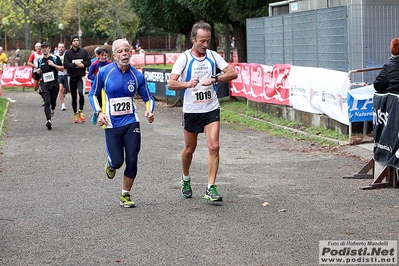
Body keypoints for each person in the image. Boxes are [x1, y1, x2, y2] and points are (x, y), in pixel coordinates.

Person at [167, 21, 237, 202]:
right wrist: (187, 84)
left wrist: (215, 78)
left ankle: (210, 187)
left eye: (208, 41)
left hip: (210, 108)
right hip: (191, 111)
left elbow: (232, 73)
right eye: (202, 41)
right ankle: (186, 178)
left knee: (214, 146)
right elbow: (171, 83)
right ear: (193, 39)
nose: (205, 45)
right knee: (190, 149)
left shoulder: (213, 56)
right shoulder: (184, 58)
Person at [88, 38, 155, 208]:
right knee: (118, 162)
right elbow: (92, 94)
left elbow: (149, 97)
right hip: (112, 124)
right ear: (114, 55)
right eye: (120, 51)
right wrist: (99, 112)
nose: (124, 54)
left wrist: (149, 110)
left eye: (127, 50)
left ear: (131, 52)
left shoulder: (137, 75)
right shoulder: (105, 72)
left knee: (132, 159)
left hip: (131, 122)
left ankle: (125, 194)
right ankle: (111, 164)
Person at [63, 35, 91, 123]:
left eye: (77, 40)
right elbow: (65, 64)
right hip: (71, 77)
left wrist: (83, 64)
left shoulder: (84, 51)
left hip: (81, 77)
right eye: (74, 40)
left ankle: (81, 111)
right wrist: (75, 64)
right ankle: (75, 113)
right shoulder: (68, 53)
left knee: (81, 94)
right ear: (71, 42)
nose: (76, 42)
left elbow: (89, 61)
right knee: (74, 97)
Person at [37, 42, 63, 130]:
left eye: (46, 47)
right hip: (45, 84)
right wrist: (38, 72)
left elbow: (62, 69)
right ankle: (49, 121)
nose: (44, 49)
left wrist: (54, 65)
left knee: (53, 102)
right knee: (47, 101)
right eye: (42, 47)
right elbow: (39, 71)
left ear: (49, 48)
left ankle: (53, 107)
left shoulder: (55, 58)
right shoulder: (40, 60)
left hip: (54, 83)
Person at [88, 47, 112, 124]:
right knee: (99, 101)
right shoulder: (94, 64)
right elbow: (89, 75)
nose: (104, 57)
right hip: (97, 85)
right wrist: (97, 78)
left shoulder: (109, 63)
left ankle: (108, 116)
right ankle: (96, 114)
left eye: (105, 55)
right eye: (102, 55)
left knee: (107, 100)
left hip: (107, 85)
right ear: (98, 56)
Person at [57, 43, 69, 111]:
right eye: (60, 47)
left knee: (66, 90)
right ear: (58, 48)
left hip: (66, 74)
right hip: (59, 75)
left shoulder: (67, 55)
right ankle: (63, 105)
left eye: (62, 47)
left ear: (64, 48)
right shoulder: (55, 56)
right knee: (60, 88)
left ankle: (64, 93)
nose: (61, 48)